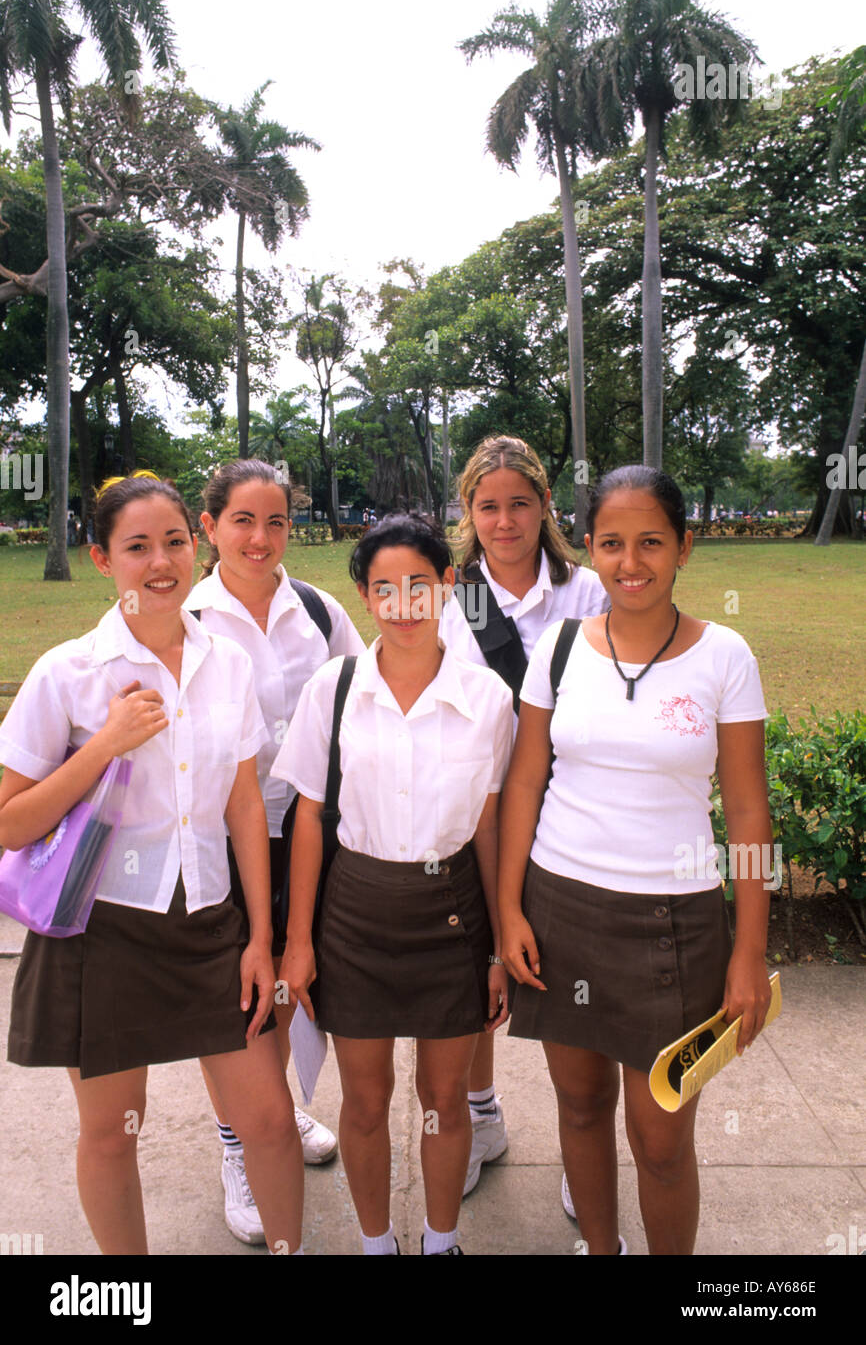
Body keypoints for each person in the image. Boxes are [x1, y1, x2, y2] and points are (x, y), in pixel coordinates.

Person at [0, 472, 304, 1254]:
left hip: (209, 922)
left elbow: (244, 807)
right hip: (99, 931)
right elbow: (9, 824)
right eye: (137, 547)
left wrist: (259, 938)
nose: (160, 562)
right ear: (102, 560)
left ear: (195, 543)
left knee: (269, 1120)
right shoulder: (67, 673)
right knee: (110, 1134)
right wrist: (102, 747)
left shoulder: (227, 664)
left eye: (174, 541)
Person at [500, 465, 774, 1254]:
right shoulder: (556, 649)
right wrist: (511, 908)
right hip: (560, 910)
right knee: (579, 1109)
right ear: (588, 548)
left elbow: (752, 815)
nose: (630, 562)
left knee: (660, 1141)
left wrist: (749, 951)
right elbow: (525, 780)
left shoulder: (726, 656)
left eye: (651, 542)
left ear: (684, 547)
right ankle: (600, 1246)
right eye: (612, 543)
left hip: (675, 926)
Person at [274, 512, 514, 1254]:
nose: (404, 603)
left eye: (420, 584)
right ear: (363, 596)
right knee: (366, 1100)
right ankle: (377, 1245)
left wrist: (502, 943)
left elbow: (490, 830)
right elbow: (308, 818)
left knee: (445, 1099)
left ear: (447, 584)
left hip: (453, 916)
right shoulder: (332, 689)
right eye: (385, 589)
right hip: (355, 916)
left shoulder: (487, 700)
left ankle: (441, 1242)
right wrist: (297, 944)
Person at [185, 457, 364, 1244]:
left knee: (292, 976)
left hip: (312, 834)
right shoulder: (184, 619)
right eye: (243, 521)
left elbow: (365, 702)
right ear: (210, 527)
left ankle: (278, 1110)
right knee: (233, 997)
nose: (260, 539)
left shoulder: (321, 614)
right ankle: (237, 1144)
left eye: (277, 521)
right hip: (221, 840)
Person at [438, 434, 609, 1194]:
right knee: (476, 970)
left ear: (545, 504)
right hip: (475, 813)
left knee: (571, 973)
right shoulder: (450, 594)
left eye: (519, 503)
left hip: (570, 807)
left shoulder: (589, 591)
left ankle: (585, 1144)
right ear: (468, 513)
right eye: (488, 506)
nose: (504, 521)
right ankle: (481, 1115)